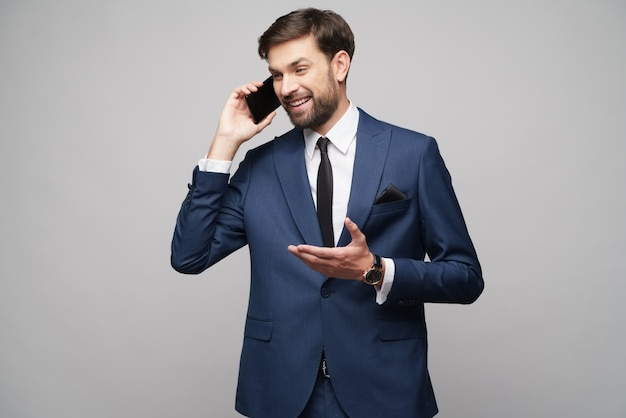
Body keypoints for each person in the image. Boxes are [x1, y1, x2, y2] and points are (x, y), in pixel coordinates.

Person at [171, 7, 483, 418]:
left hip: (383, 389)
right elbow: (189, 256)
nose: (286, 88)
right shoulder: (259, 167)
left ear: (340, 64)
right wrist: (225, 144)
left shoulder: (413, 154)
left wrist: (377, 271)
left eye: (299, 69)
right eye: (277, 74)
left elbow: (465, 277)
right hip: (281, 391)